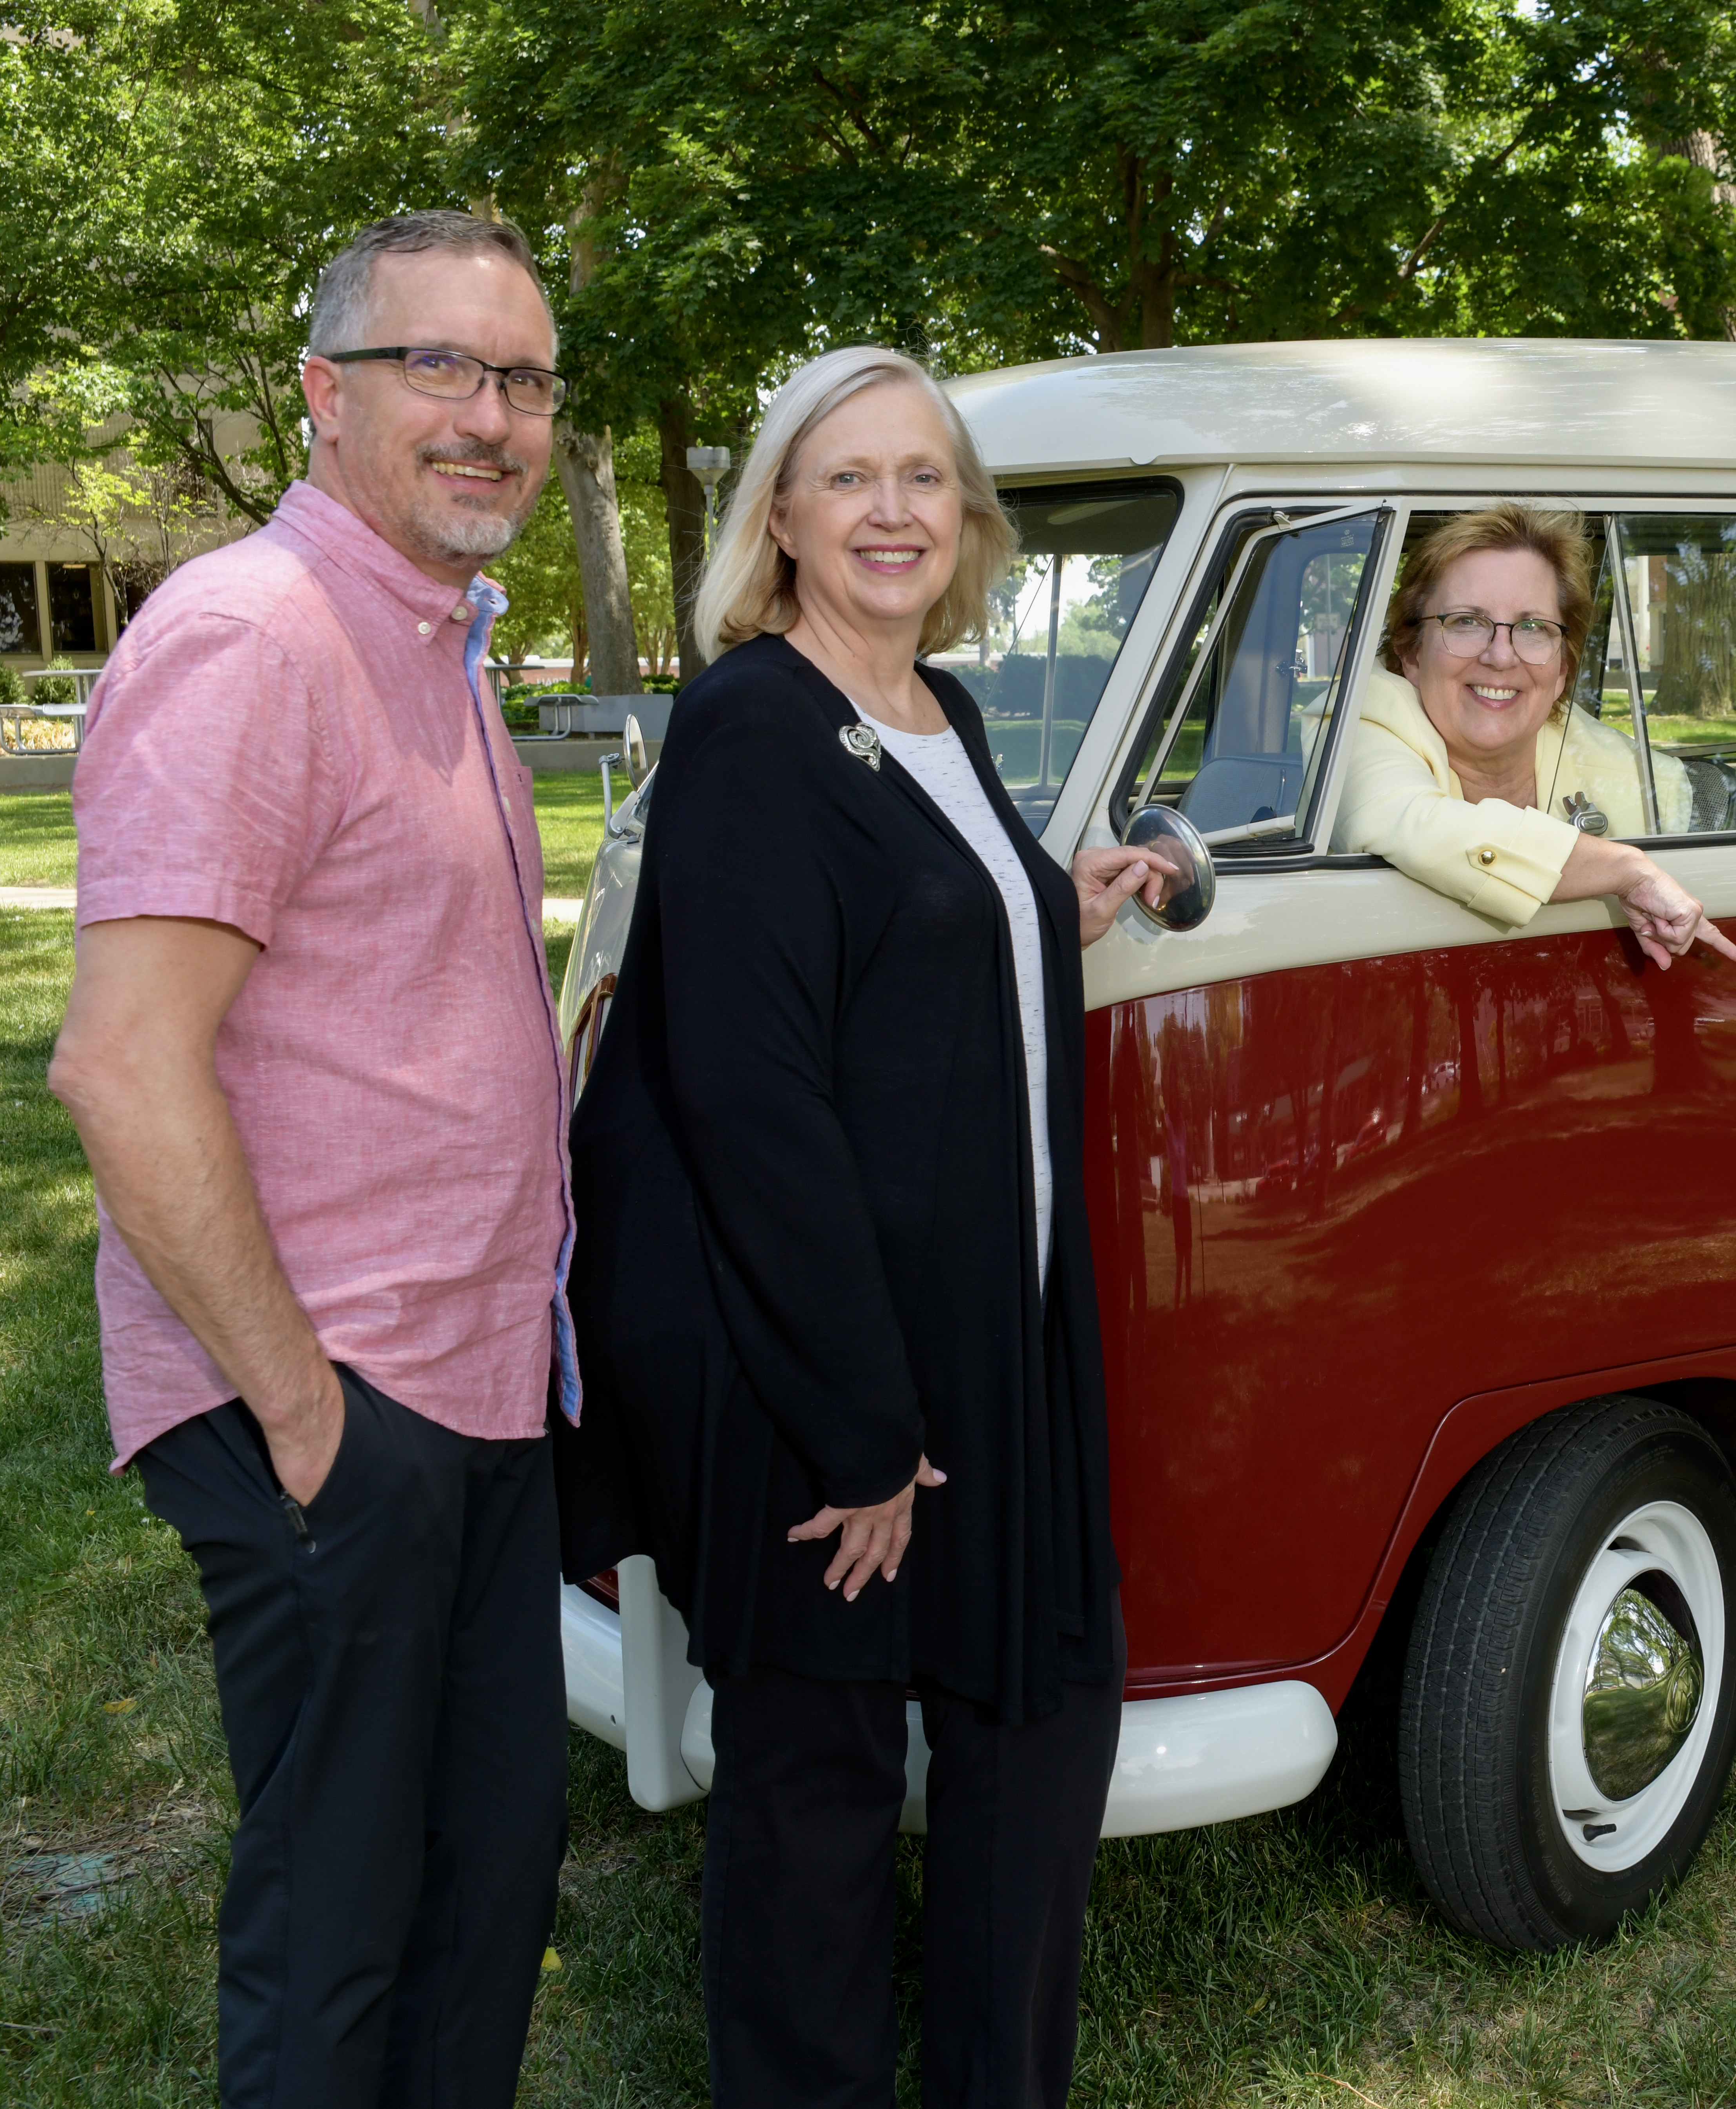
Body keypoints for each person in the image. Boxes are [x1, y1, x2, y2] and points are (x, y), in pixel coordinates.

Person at [559, 345, 1164, 2109]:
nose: (891, 511)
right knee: (815, 1799)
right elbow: (752, 1095)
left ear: (963, 517)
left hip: (989, 1349)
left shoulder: (944, 713)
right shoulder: (752, 722)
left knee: (1038, 1727)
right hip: (818, 1380)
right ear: (782, 516)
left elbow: (909, 948)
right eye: (848, 478)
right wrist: (863, 1429)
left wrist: (1052, 912)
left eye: (923, 477)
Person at [46, 212, 573, 2107]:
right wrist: (300, 1410)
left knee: (485, 1886)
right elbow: (122, 1066)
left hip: (479, 1385)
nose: (490, 417)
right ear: (323, 393)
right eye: (441, 366)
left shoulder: (434, 647)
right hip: (337, 1393)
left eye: (521, 379)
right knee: (339, 1931)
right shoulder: (253, 637)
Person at [1334, 502, 1736, 967]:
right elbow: (1415, 824)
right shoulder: (1359, 723)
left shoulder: (1641, 778)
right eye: (1467, 621)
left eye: (1532, 627)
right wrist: (1626, 870)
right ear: (1411, 654)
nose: (1501, 656)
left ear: (1561, 673)